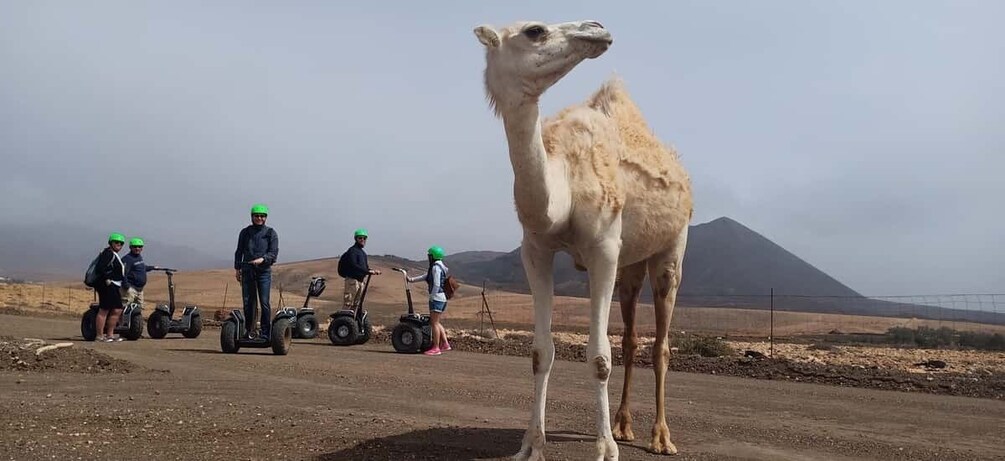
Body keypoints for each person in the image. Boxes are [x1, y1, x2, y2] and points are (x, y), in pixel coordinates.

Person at [234, 204, 279, 340]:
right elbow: (239, 251)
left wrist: (262, 259)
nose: (259, 218)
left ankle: (265, 332)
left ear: (266, 218)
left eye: (262, 216)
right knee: (248, 302)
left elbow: (273, 253)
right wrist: (237, 268)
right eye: (257, 216)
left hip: (263, 272)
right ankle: (250, 331)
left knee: (264, 302)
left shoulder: (270, 233)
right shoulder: (245, 232)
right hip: (247, 270)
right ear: (252, 217)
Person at [407, 245, 451, 356]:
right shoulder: (440, 267)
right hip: (442, 298)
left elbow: (436, 284)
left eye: (429, 255)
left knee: (434, 323)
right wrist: (411, 280)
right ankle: (445, 344)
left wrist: (432, 296)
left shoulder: (436, 268)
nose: (428, 257)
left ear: (433, 256)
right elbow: (426, 276)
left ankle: (436, 347)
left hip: (437, 298)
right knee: (436, 321)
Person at [94, 233, 127, 342]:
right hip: (107, 285)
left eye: (121, 243)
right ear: (111, 243)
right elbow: (100, 268)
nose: (119, 245)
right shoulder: (107, 253)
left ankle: (110, 334)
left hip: (115, 285)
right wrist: (107, 279)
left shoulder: (113, 254)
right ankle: (99, 336)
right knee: (104, 309)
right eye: (116, 242)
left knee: (117, 309)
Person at [337, 228, 380, 309]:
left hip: (361, 282)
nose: (362, 240)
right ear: (356, 239)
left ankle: (353, 321)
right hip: (352, 281)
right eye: (360, 238)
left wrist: (372, 271)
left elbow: (364, 267)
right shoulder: (352, 251)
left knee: (356, 305)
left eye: (364, 238)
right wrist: (368, 271)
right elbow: (354, 265)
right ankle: (344, 321)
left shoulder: (363, 253)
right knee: (348, 304)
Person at [120, 237, 160, 309]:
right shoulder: (127, 259)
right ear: (130, 247)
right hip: (131, 289)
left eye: (140, 247)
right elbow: (123, 273)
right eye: (135, 247)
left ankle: (135, 320)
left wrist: (152, 267)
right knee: (126, 309)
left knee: (138, 309)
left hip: (139, 289)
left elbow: (141, 268)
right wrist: (127, 287)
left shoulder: (138, 257)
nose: (137, 248)